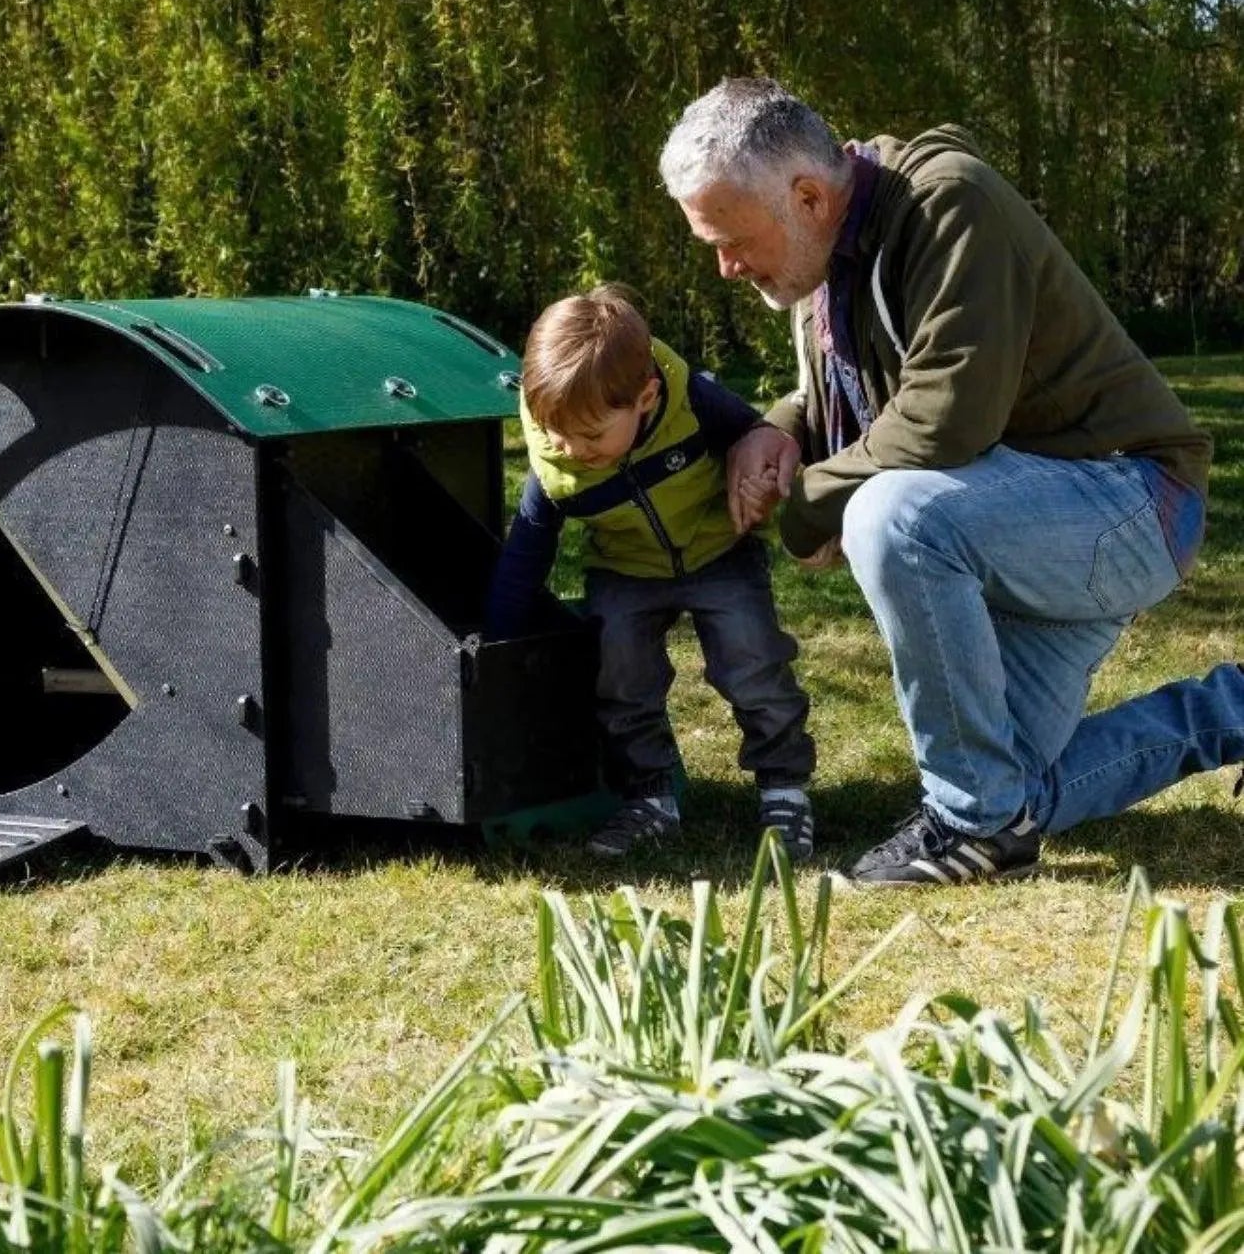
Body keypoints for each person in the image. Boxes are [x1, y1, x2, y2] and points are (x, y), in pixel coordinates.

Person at [658, 75, 1244, 886]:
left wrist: (808, 503)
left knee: (892, 518)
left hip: (1129, 502)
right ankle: (1227, 715)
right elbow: (852, 396)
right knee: (1008, 786)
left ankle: (962, 827)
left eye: (729, 237)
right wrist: (777, 430)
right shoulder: (828, 262)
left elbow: (945, 416)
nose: (724, 266)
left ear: (807, 197)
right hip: (1026, 526)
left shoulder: (948, 204)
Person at [485, 283, 816, 860]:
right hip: (625, 568)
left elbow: (756, 433)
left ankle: (784, 788)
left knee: (754, 663)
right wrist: (498, 637)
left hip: (718, 552)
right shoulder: (556, 458)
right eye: (557, 431)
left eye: (590, 435)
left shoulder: (694, 403)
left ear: (645, 397)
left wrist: (760, 475)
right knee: (621, 678)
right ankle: (649, 797)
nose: (571, 448)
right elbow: (527, 549)